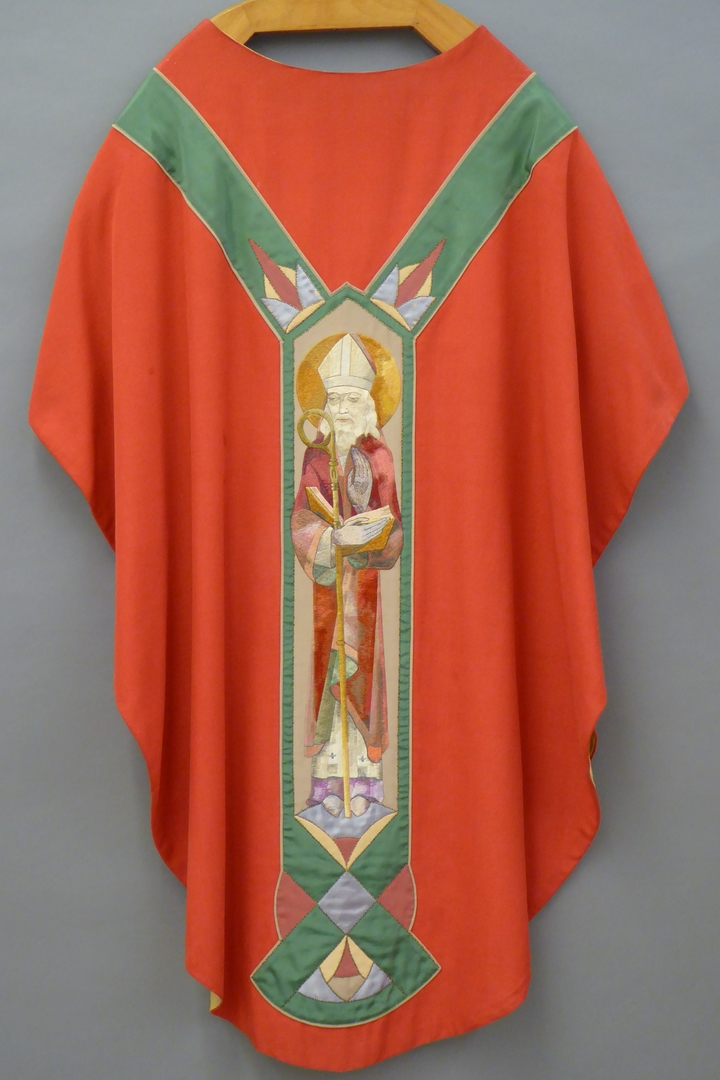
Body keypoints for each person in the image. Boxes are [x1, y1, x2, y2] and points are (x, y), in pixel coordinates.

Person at [291, 334, 403, 818]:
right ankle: (325, 785)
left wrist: (372, 536)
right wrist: (330, 537)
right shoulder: (316, 457)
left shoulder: (379, 456)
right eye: (333, 399)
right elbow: (300, 519)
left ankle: (365, 784)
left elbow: (394, 526)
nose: (340, 409)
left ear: (367, 406)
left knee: (362, 681)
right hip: (326, 589)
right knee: (327, 678)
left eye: (350, 400)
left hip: (364, 592)